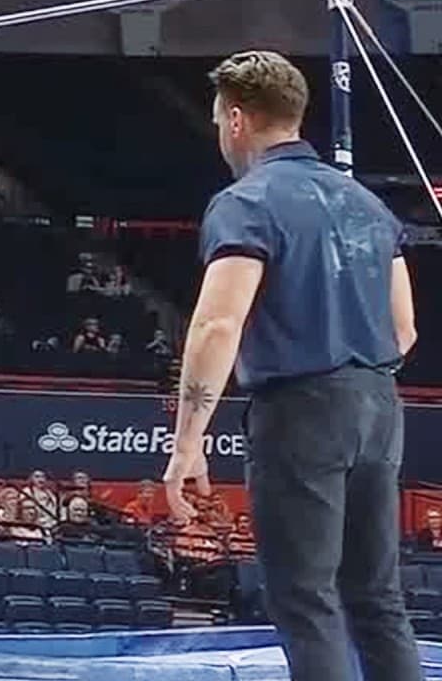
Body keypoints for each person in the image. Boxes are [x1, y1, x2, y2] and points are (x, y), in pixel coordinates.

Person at [161, 50, 420, 681]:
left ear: (238, 120)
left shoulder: (246, 201)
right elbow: (405, 329)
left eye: (220, 117)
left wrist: (187, 443)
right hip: (379, 406)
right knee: (377, 598)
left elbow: (218, 323)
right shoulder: (366, 203)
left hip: (302, 410)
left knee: (306, 599)